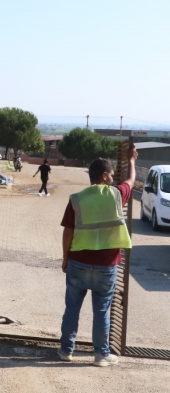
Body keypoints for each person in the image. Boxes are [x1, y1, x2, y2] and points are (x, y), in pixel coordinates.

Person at [58, 146, 136, 366]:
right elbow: (130, 180)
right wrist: (130, 160)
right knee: (101, 311)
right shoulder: (117, 195)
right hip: (106, 266)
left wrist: (65, 258)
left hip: (78, 263)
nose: (113, 178)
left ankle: (66, 350)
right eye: (111, 175)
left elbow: (68, 232)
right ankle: (101, 355)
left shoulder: (77, 199)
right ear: (104, 176)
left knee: (72, 308)